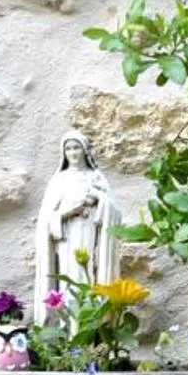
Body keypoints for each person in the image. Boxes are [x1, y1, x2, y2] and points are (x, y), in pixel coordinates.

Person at [32, 132, 119, 323]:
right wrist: (68, 212)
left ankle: (87, 334)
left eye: (76, 147)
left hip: (89, 235)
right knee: (69, 280)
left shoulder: (96, 177)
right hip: (66, 238)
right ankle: (69, 333)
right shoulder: (59, 180)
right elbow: (46, 219)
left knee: (87, 277)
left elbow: (114, 211)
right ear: (63, 152)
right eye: (68, 148)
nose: (72, 152)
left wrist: (99, 199)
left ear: (85, 150)